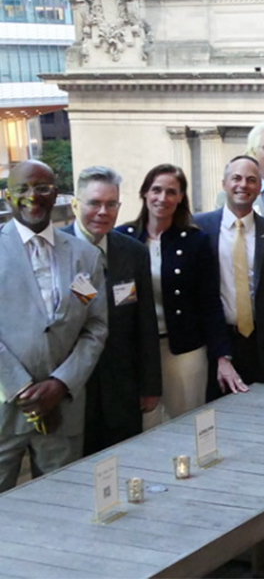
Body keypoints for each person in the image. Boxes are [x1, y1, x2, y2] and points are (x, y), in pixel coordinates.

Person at [0, 160, 107, 490]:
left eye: (42, 188)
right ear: (7, 197)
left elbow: (95, 326)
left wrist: (60, 384)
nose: (33, 196)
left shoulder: (84, 256)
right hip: (5, 408)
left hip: (63, 408)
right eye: (23, 189)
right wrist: (21, 388)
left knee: (61, 504)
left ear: (56, 195)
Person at [119, 163, 246, 427]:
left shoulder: (194, 241)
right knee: (145, 426)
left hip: (184, 349)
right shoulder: (122, 238)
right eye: (156, 190)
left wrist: (223, 357)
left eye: (171, 192)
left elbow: (210, 302)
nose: (162, 198)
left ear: (180, 198)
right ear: (144, 193)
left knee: (187, 425)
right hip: (137, 351)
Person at [65, 166, 161, 455]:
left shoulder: (133, 252)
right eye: (94, 203)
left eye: (111, 204)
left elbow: (145, 322)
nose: (102, 212)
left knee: (125, 462)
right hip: (72, 389)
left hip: (123, 386)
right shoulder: (56, 251)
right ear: (75, 204)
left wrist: (150, 384)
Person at [195, 156, 264, 390]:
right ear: (224, 184)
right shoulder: (199, 229)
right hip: (215, 342)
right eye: (236, 178)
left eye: (251, 180)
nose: (243, 185)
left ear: (259, 187)